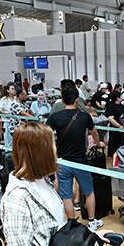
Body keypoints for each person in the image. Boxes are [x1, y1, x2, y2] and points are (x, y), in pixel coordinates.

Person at [46, 85, 105, 231]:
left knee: (66, 196)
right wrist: (98, 143)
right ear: (77, 100)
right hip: (81, 162)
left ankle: (71, 224)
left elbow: (45, 135)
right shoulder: (85, 117)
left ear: (62, 100)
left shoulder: (54, 118)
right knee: (89, 192)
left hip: (63, 162)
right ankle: (92, 221)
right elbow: (94, 133)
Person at [105, 91, 124, 156]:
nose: (122, 97)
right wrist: (119, 126)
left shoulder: (121, 106)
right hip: (114, 130)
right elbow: (110, 118)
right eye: (121, 96)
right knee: (114, 144)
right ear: (117, 98)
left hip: (122, 130)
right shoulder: (111, 106)